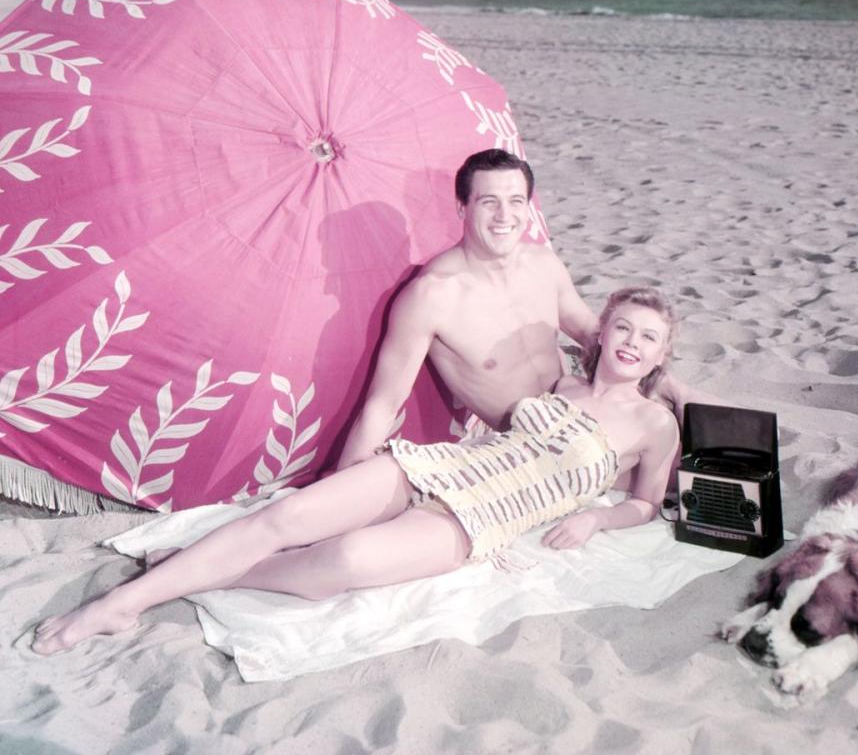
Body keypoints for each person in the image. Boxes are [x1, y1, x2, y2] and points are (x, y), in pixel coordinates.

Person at [33, 285, 680, 655]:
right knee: (284, 517)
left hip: (478, 520)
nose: (630, 342)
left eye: (647, 337)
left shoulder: (655, 425)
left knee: (340, 562)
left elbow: (648, 503)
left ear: (660, 355)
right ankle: (120, 604)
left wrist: (598, 518)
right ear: (600, 334)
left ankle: (193, 576)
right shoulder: (559, 381)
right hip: (436, 467)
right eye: (622, 327)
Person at [336, 147, 599, 467]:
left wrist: (662, 381)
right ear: (462, 208)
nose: (504, 216)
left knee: (676, 414)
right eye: (489, 202)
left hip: (585, 411)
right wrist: (344, 479)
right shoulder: (433, 295)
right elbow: (383, 405)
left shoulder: (543, 263)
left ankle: (681, 504)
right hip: (535, 448)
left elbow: (589, 331)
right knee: (666, 464)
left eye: (515, 201)